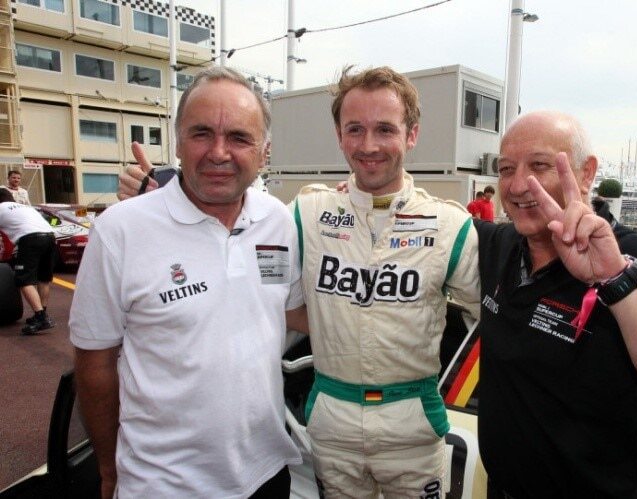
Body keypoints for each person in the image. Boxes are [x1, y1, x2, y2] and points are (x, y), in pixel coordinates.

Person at [118, 65, 480, 498]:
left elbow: (498, 320)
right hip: (332, 423)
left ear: (412, 134)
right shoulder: (305, 213)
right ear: (339, 134)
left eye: (385, 129)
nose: (369, 146)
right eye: (355, 129)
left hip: (414, 425)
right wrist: (159, 194)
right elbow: (232, 215)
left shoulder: (450, 225)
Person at [70, 67, 308, 499]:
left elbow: (287, 310)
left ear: (264, 151)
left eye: (239, 137)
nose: (219, 152)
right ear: (177, 141)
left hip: (267, 473)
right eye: (201, 133)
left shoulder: (277, 219)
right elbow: (95, 365)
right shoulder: (121, 230)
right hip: (164, 485)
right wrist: (108, 467)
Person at [475, 111, 637, 498]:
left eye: (539, 165)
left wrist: (616, 280)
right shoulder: (498, 247)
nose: (518, 184)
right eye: (506, 168)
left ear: (586, 173)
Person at [0, 187, 55, 334]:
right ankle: (42, 313)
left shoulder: (0, 209)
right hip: (50, 236)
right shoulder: (24, 207)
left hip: (30, 239)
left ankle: (40, 317)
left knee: (24, 280)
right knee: (43, 278)